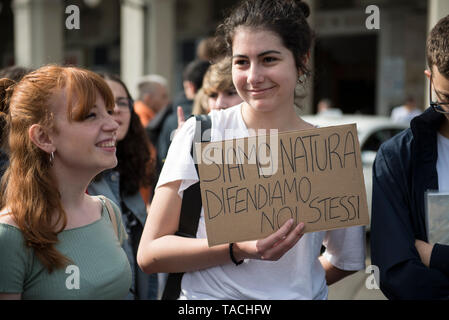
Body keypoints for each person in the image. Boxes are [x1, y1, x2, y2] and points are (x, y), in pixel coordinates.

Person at [137, 0, 365, 300]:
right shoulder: (201, 133)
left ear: (302, 61)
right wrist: (237, 249)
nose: (253, 76)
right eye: (241, 62)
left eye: (269, 59)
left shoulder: (329, 151)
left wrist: (293, 289)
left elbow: (345, 261)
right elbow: (150, 254)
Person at [0, 65, 131, 299]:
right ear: (43, 137)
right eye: (90, 115)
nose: (113, 125)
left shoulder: (107, 211)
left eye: (109, 111)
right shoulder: (9, 235)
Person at [371, 15, 449, 299]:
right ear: (430, 80)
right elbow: (396, 273)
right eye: (446, 99)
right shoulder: (396, 158)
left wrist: (437, 256)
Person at [87, 73, 156, 300]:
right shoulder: (79, 181)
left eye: (122, 102)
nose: (115, 109)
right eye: (105, 104)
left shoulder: (129, 169)